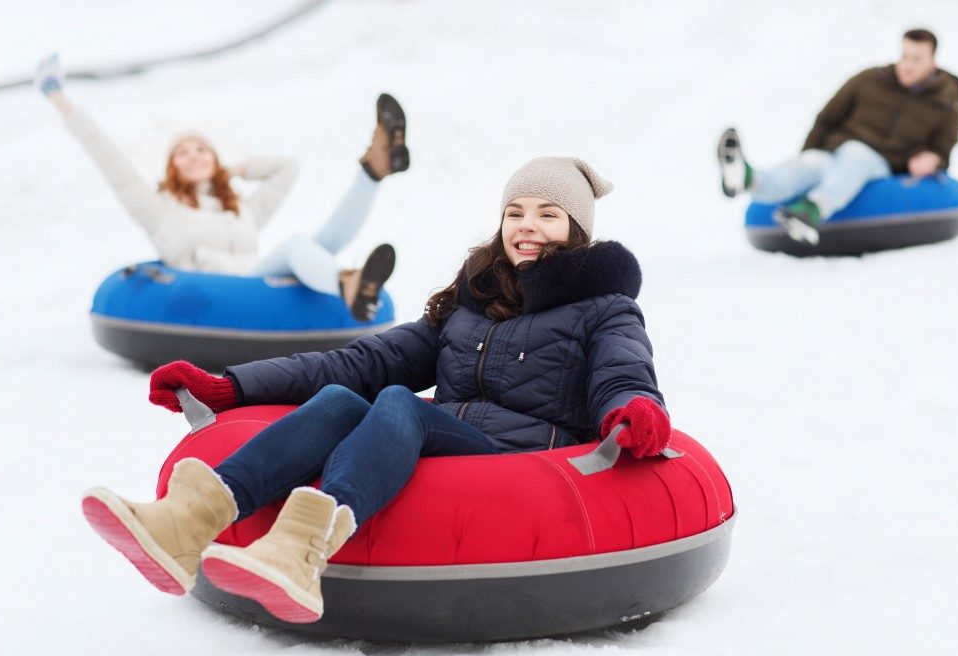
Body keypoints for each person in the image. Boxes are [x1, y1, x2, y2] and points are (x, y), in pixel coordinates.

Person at [81, 156, 672, 624]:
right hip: (453, 437)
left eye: (547, 214)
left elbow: (624, 373)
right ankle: (186, 521)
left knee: (396, 403)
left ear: (576, 229)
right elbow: (367, 359)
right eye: (516, 211)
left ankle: (301, 552)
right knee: (344, 398)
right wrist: (231, 386)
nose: (527, 225)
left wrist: (634, 409)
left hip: (524, 459)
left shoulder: (604, 309)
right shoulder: (474, 304)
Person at [35, 54, 407, 320]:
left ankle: (372, 170)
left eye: (202, 150)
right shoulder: (158, 209)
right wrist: (58, 98)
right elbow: (108, 156)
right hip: (222, 289)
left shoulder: (239, 209)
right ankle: (347, 284)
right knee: (297, 246)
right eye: (182, 153)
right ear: (171, 167)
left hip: (259, 277)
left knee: (320, 243)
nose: (193, 155)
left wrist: (235, 169)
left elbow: (287, 170)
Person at [717, 29, 958, 245]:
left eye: (917, 59)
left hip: (880, 163)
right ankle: (749, 179)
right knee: (807, 166)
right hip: (835, 152)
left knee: (857, 156)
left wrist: (932, 159)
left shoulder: (946, 104)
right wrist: (811, 151)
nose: (907, 65)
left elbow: (943, 150)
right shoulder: (868, 80)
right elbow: (827, 118)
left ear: (933, 61)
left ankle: (812, 210)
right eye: (904, 56)